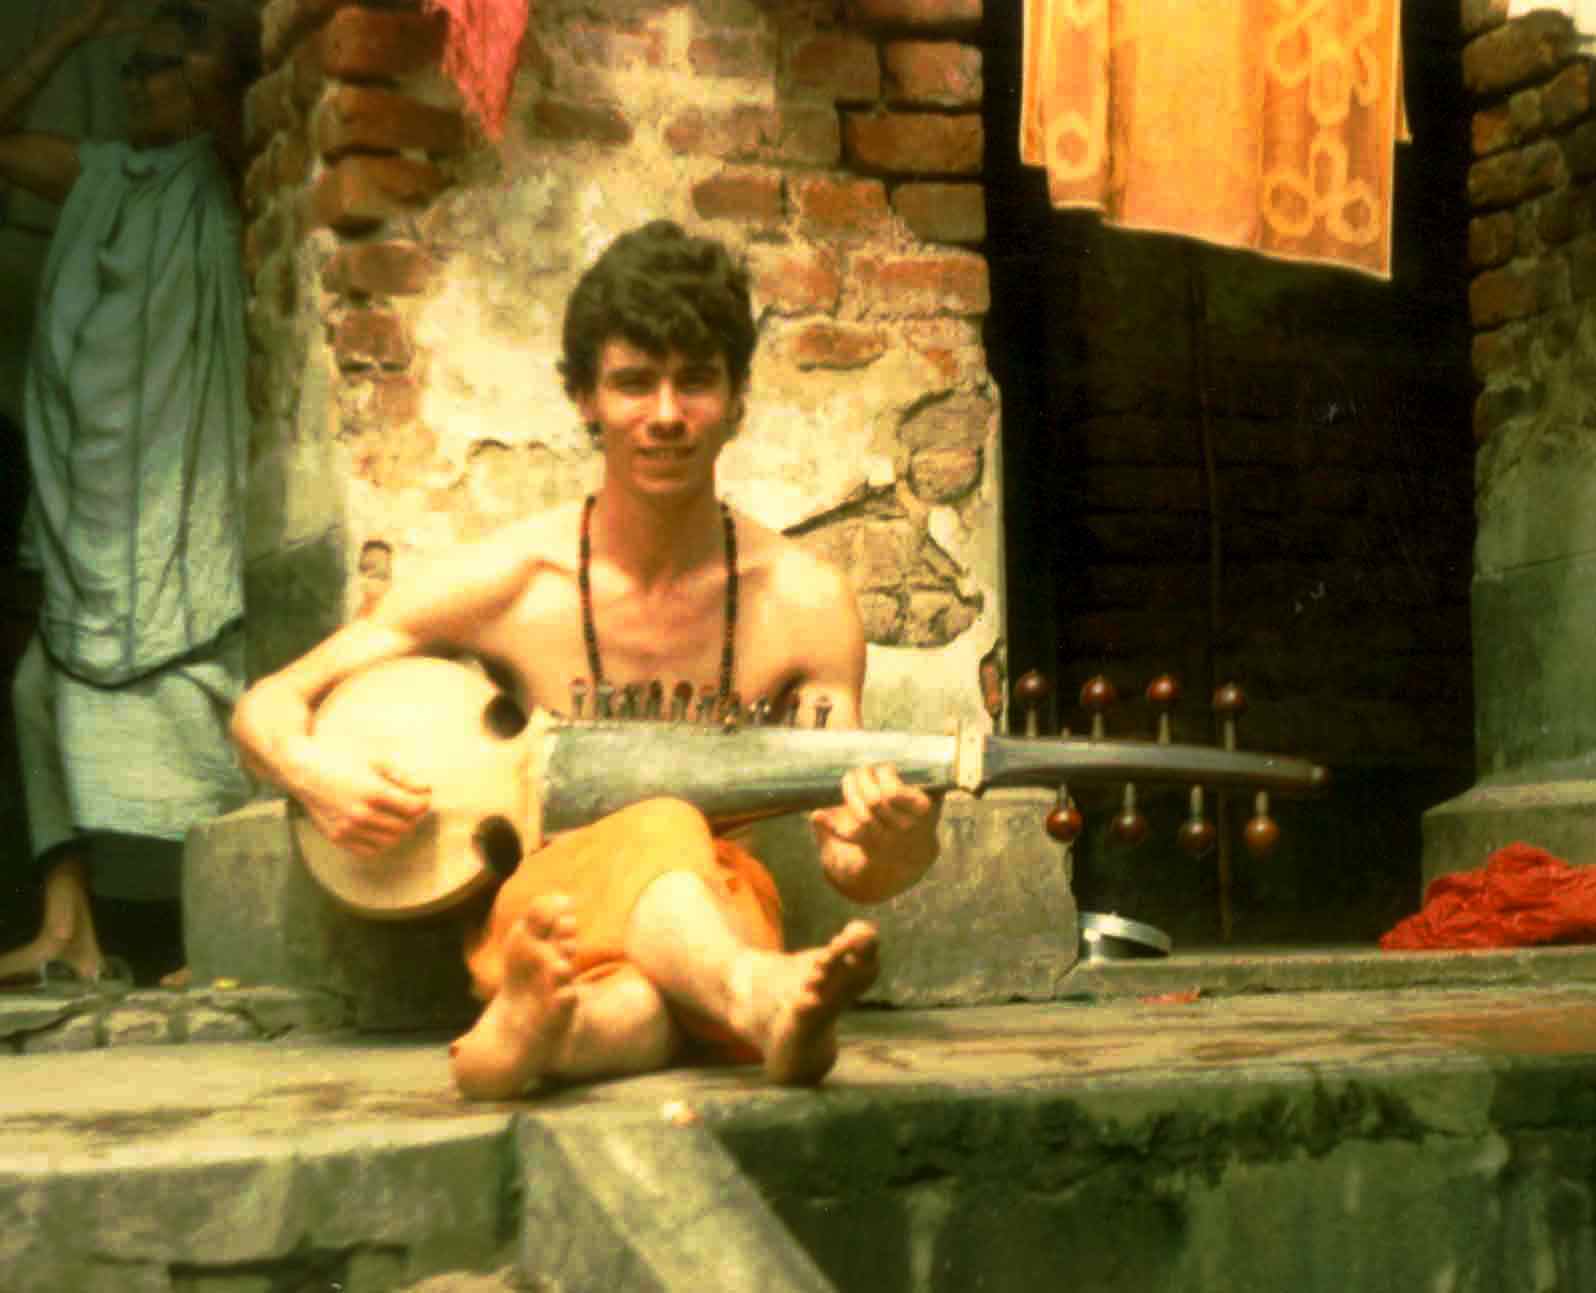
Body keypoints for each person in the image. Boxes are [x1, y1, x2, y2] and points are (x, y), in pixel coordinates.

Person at [232, 221, 943, 1098]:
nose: (668, 416)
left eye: (697, 383)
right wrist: (314, 774)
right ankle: (763, 1001)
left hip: (717, 905)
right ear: (583, 398)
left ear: (738, 400)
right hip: (557, 899)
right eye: (634, 383)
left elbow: (850, 858)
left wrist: (902, 848)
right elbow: (267, 703)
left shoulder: (803, 602)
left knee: (646, 999)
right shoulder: (516, 580)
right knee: (661, 822)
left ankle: (538, 1034)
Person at [0, 0, 257, 987]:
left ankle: (216, 935)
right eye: (137, 70)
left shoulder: (226, 168)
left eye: (164, 68)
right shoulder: (99, 174)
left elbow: (233, 109)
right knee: (36, 691)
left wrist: (209, 70)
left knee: (206, 696)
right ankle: (72, 930)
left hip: (184, 497)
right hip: (94, 499)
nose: (144, 84)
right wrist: (67, 36)